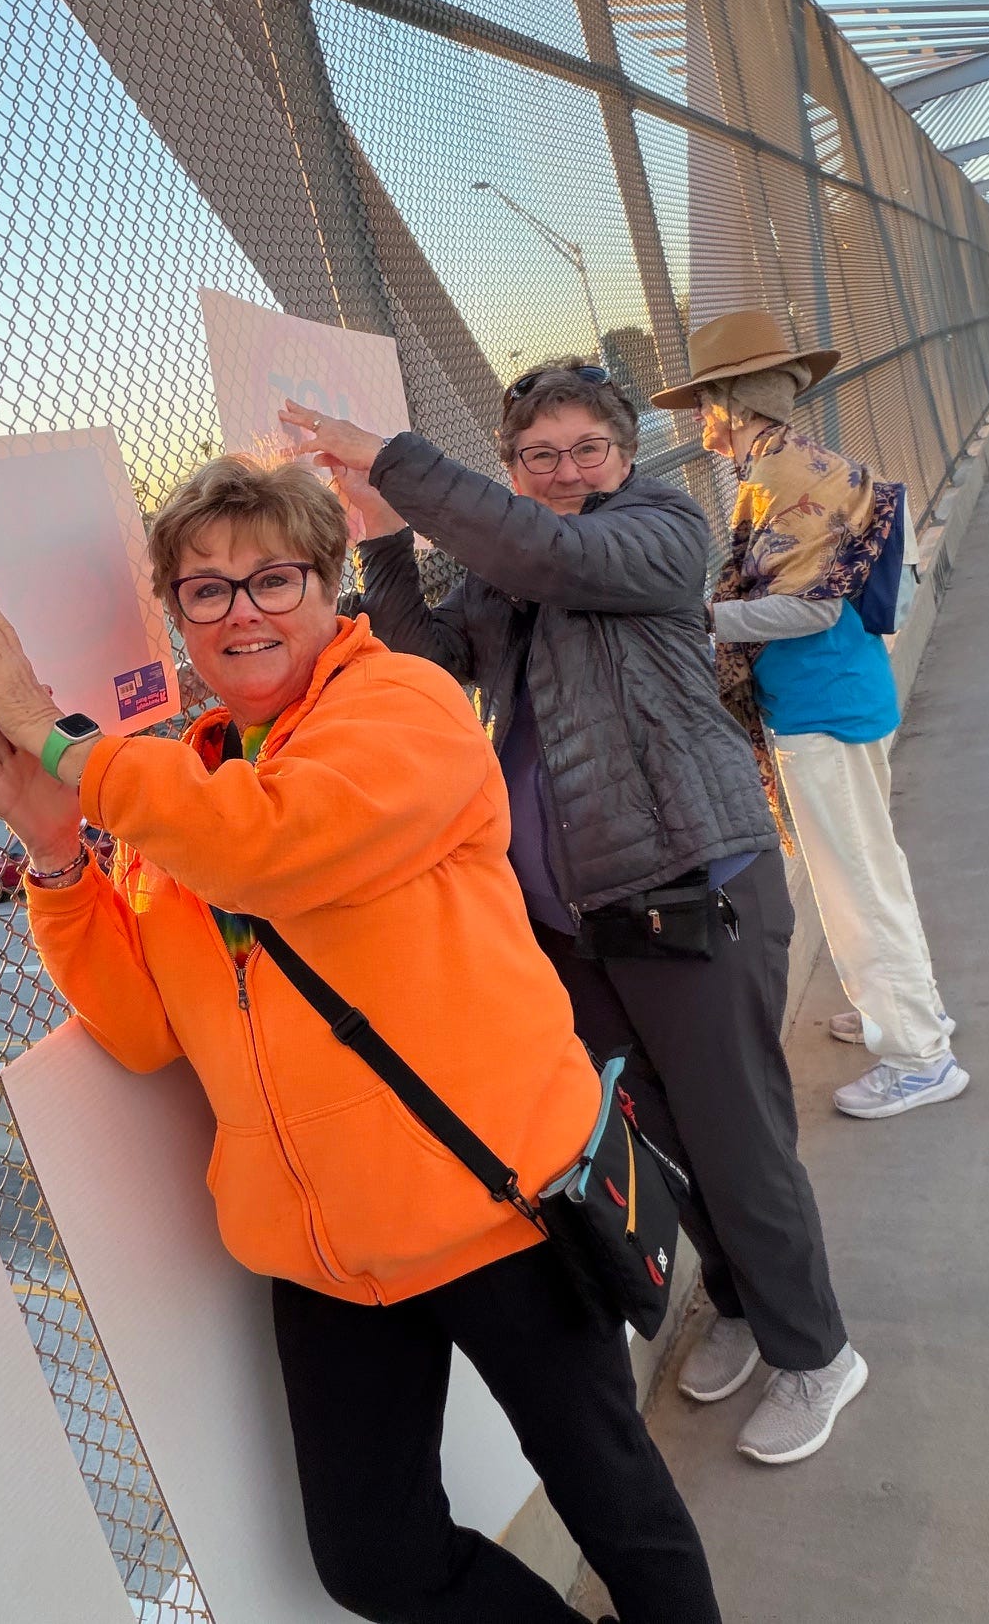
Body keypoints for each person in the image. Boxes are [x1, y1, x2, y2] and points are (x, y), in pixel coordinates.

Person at [0, 456, 720, 1623]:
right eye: (206, 589)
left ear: (328, 583)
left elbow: (270, 847)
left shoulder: (400, 707)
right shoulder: (186, 783)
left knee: (615, 1501)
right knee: (372, 1559)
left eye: (273, 578)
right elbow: (143, 1029)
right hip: (323, 1250)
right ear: (178, 615)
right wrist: (57, 859)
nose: (241, 611)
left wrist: (59, 739)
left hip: (497, 1202)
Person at [286, 366, 866, 1468]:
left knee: (739, 1139)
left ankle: (816, 1354)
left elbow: (557, 557)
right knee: (662, 1139)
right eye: (538, 456)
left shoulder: (658, 529)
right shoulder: (503, 570)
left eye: (585, 450)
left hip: (692, 887)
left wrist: (394, 462)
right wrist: (383, 537)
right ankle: (743, 1304)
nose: (563, 473)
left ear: (625, 455)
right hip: (580, 920)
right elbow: (429, 660)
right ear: (511, 468)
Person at [662, 309, 968, 1122]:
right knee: (872, 866)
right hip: (842, 692)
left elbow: (813, 609)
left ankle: (919, 1058)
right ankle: (907, 1010)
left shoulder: (780, 479)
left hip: (820, 704)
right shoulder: (803, 463)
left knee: (855, 882)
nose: (698, 421)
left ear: (730, 401)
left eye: (702, 403)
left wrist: (702, 620)